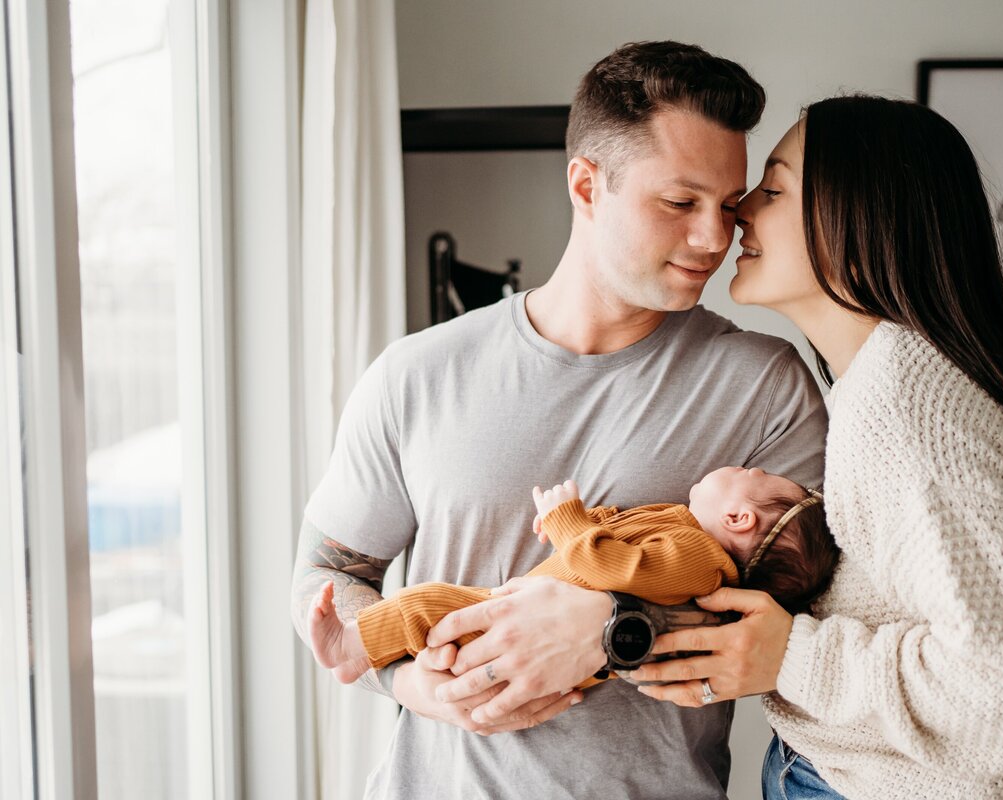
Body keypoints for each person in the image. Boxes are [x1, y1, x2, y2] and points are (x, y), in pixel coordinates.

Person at [290, 41, 829, 799]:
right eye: (680, 203)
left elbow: (798, 625)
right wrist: (415, 684)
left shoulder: (766, 386)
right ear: (586, 184)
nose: (715, 238)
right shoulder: (416, 373)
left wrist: (609, 629)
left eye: (728, 204)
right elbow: (329, 572)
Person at [629, 95, 1003, 799]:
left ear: (858, 217)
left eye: (774, 188)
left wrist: (792, 656)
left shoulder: (907, 409)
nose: (741, 215)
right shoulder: (895, 383)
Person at [307, 469, 838, 685]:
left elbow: (614, 567)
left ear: (739, 518)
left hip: (522, 629)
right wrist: (587, 521)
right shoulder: (682, 529)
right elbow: (621, 536)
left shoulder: (697, 558)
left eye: (753, 475)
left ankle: (347, 645)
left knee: (426, 604)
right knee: (431, 613)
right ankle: (366, 654)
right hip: (518, 613)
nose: (743, 467)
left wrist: (568, 523)